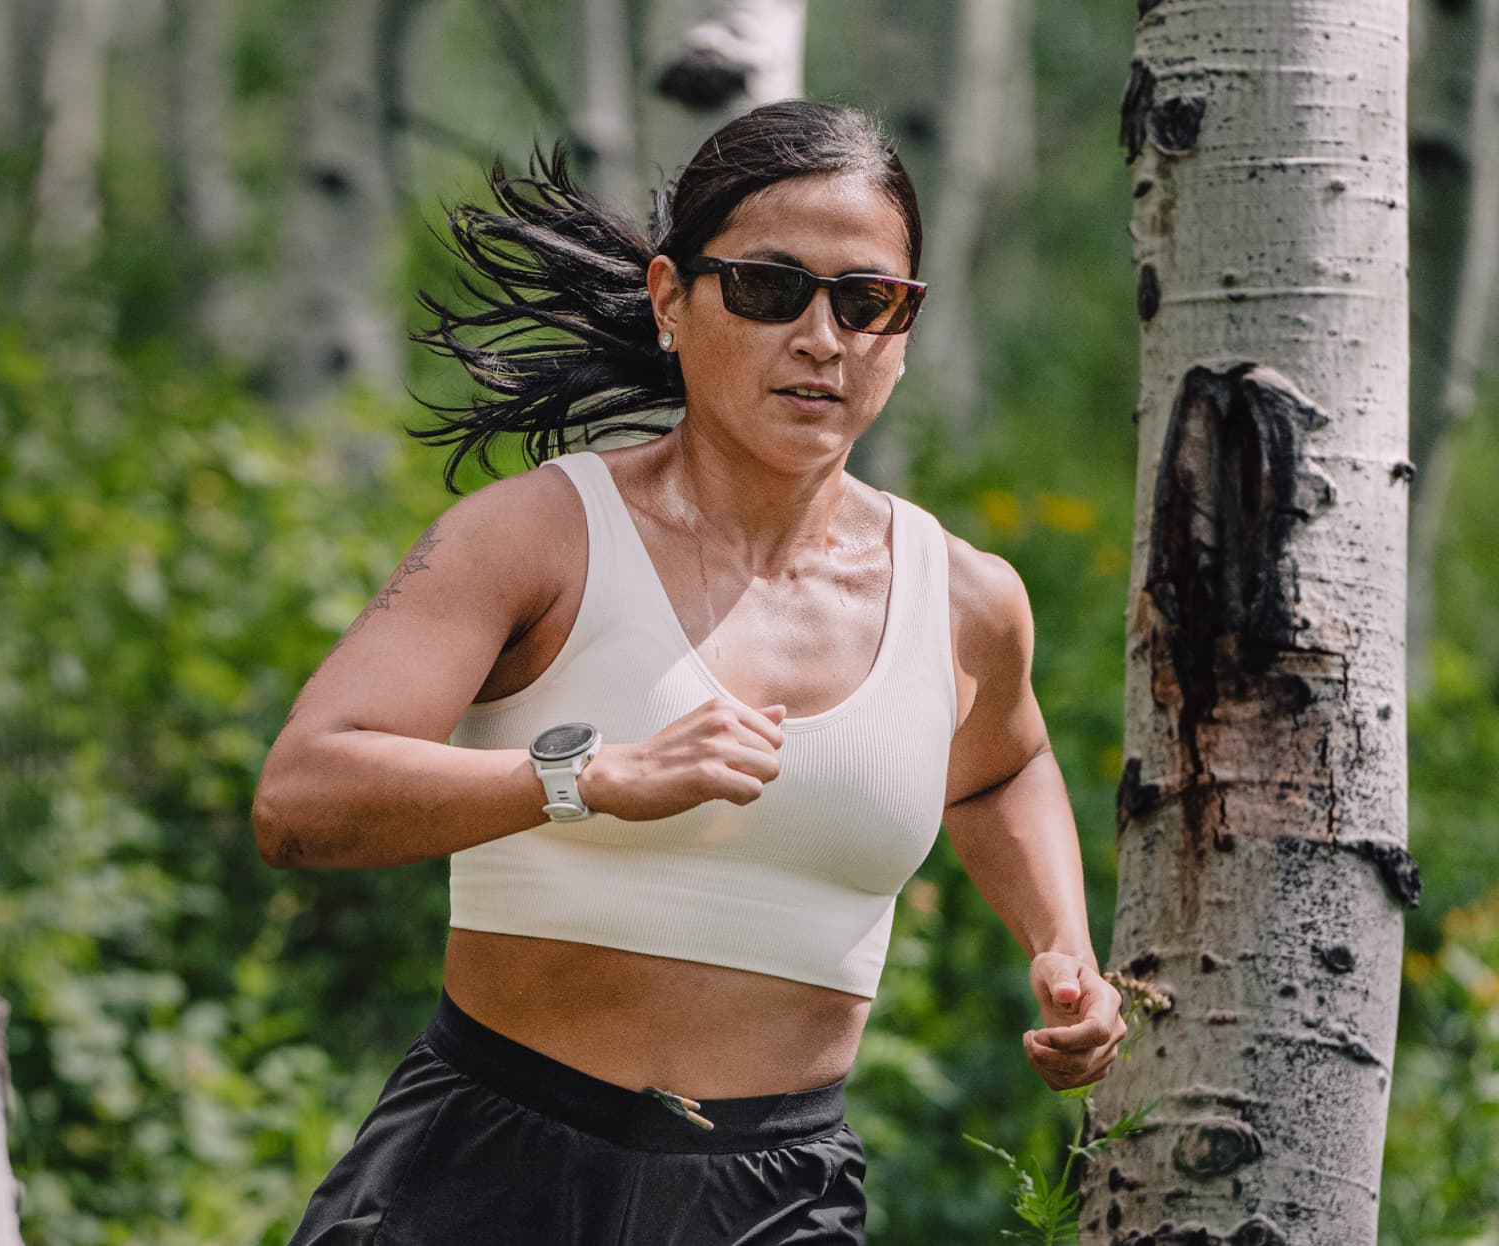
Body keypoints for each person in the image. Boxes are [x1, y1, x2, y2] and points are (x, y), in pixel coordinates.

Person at [251, 100, 1128, 1244]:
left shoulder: (964, 598)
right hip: (486, 1167)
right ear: (672, 298)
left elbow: (999, 770)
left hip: (777, 1196)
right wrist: (584, 777)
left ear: (904, 333)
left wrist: (1059, 940)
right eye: (770, 289)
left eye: (868, 302)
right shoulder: (537, 536)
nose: (823, 337)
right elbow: (302, 798)